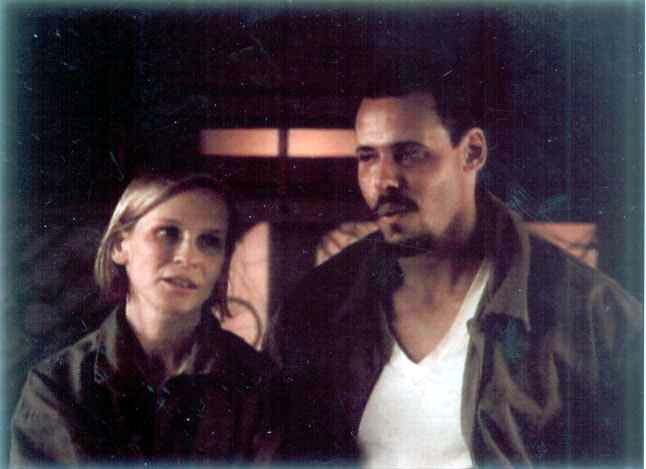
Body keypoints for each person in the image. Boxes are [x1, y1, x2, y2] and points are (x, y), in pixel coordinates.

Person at [268, 67, 643, 467]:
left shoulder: (595, 318)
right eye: (367, 157)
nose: (383, 180)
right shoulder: (314, 308)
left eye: (409, 154)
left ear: (472, 152)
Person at [11, 173, 278, 465]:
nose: (189, 257)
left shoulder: (260, 385)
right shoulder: (57, 387)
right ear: (119, 245)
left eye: (210, 241)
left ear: (223, 262)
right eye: (167, 233)